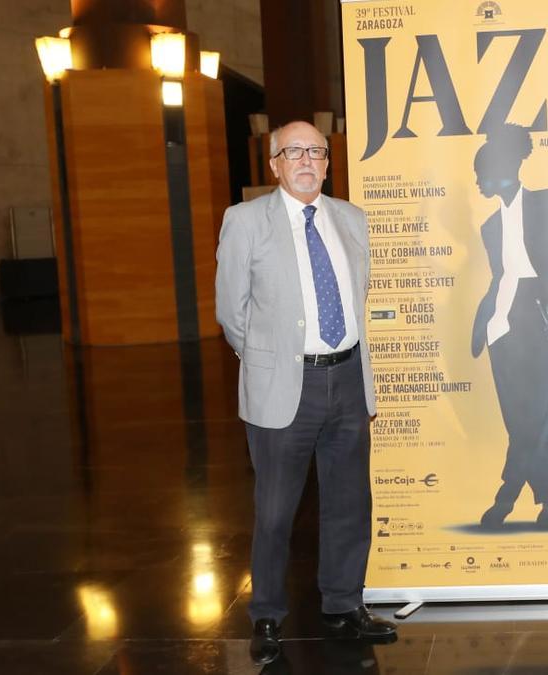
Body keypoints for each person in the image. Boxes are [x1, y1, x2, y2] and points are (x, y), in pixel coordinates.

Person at [215, 121, 396, 665]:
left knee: (348, 502)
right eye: (294, 152)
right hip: (283, 386)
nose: (307, 161)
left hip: (347, 377)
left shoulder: (351, 219)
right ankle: (267, 613)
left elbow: (356, 298)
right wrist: (270, 361)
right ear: (273, 163)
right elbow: (231, 311)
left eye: (317, 152)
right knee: (275, 509)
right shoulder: (245, 221)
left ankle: (343, 605)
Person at [471, 123, 548, 529]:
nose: (478, 182)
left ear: (504, 167)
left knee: (534, 421)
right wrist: (489, 322)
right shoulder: (489, 227)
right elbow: (500, 277)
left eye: (482, 174)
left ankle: (505, 499)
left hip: (546, 321)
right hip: (503, 329)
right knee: (523, 424)